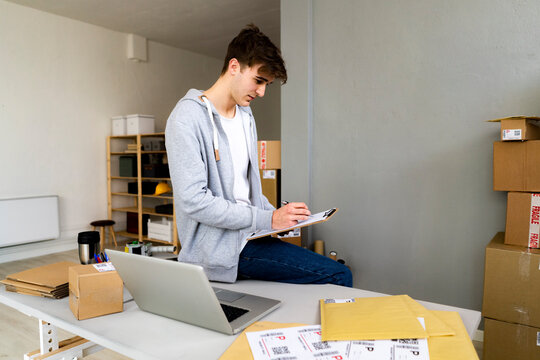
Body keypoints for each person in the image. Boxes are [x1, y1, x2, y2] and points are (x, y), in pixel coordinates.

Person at [165, 24, 352, 287]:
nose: (262, 92)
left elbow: (247, 189)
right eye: (258, 81)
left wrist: (277, 216)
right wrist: (268, 219)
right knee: (340, 274)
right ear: (234, 67)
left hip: (250, 236)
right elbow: (195, 202)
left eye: (267, 84)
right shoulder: (187, 119)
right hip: (220, 250)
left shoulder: (244, 114)